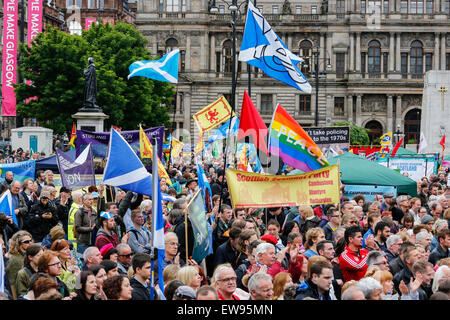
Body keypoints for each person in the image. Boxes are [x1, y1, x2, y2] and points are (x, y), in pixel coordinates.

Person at [5, 230, 33, 299]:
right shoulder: (15, 259)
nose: (30, 243)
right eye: (26, 242)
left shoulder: (25, 254)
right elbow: (12, 283)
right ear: (18, 244)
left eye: (30, 240)